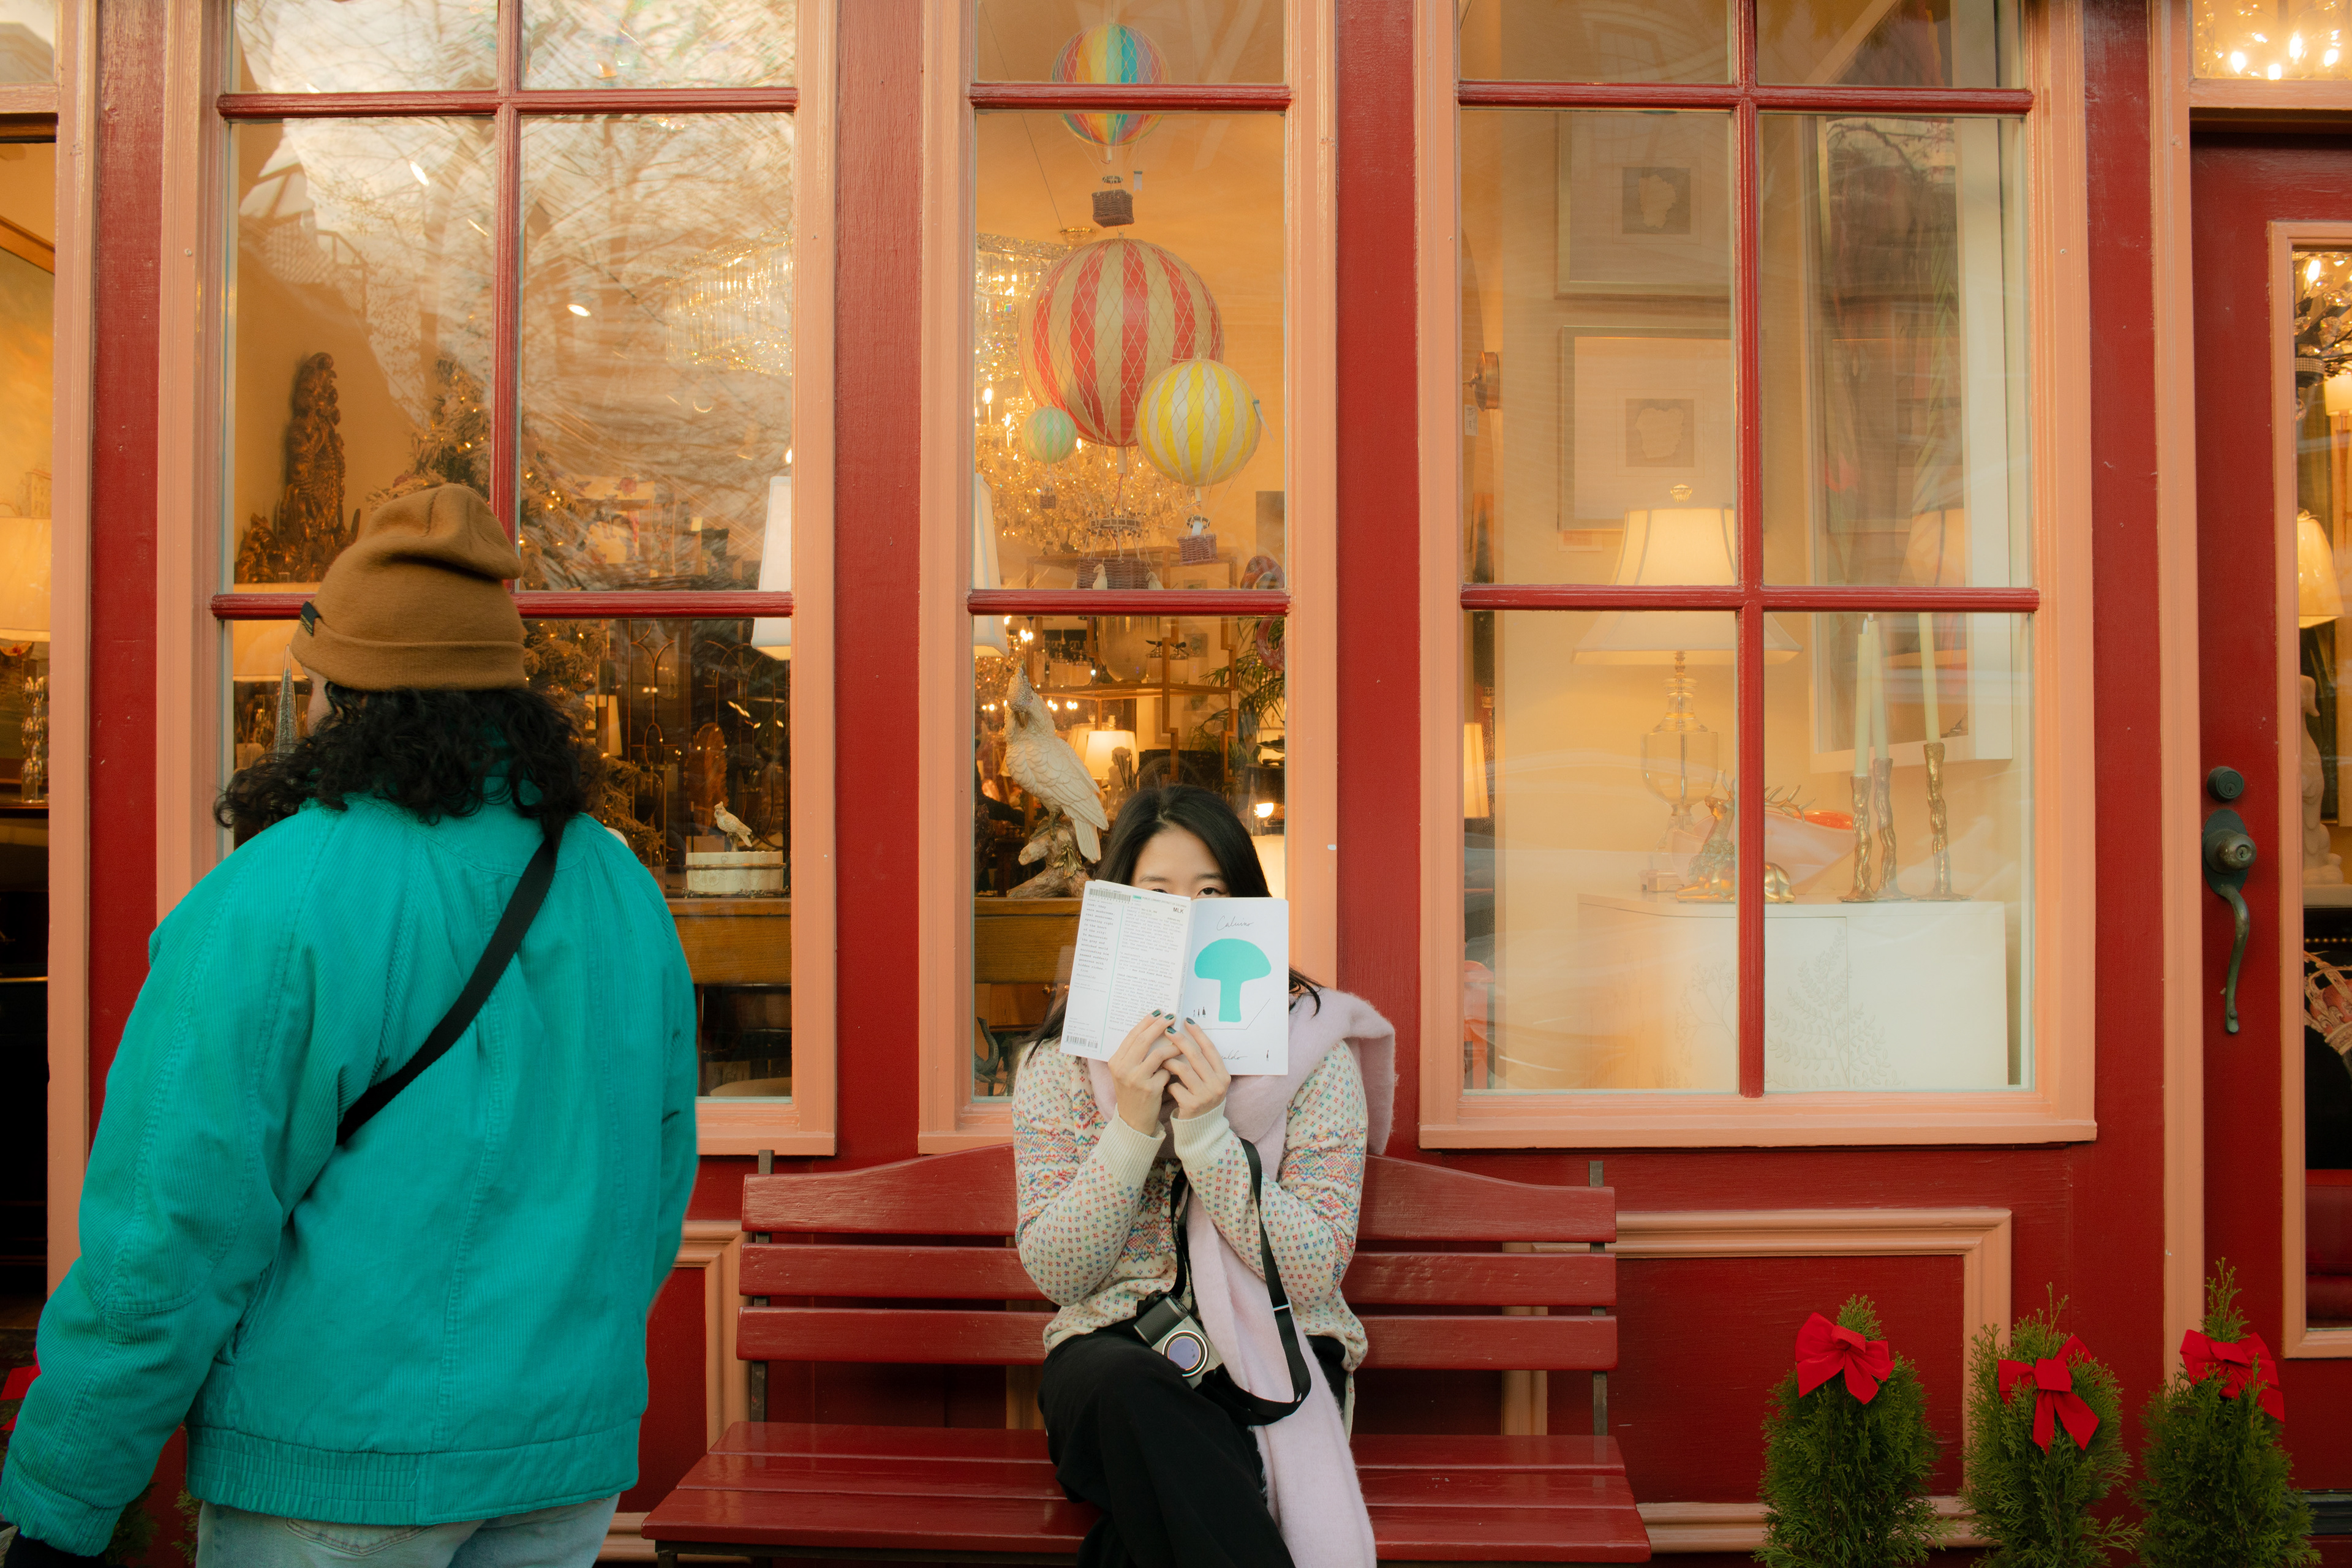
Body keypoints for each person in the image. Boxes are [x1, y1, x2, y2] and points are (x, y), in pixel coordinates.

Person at [0, 486, 698, 1568]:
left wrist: (63, 1498)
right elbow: (651, 1186)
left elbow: (169, 1234)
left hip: (335, 1462)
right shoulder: (618, 885)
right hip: (559, 1463)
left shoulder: (278, 898)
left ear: (343, 694)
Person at [1012, 785, 1396, 1568]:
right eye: (1158, 895)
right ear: (1119, 909)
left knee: (1154, 1524)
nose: (1187, 919)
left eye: (1211, 894)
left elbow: (1314, 1269)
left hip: (1276, 1355)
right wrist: (1131, 1125)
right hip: (1113, 1360)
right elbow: (1059, 1270)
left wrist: (1208, 1136)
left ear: (1246, 909)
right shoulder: (1061, 1064)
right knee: (1131, 1395)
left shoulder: (1314, 1055)